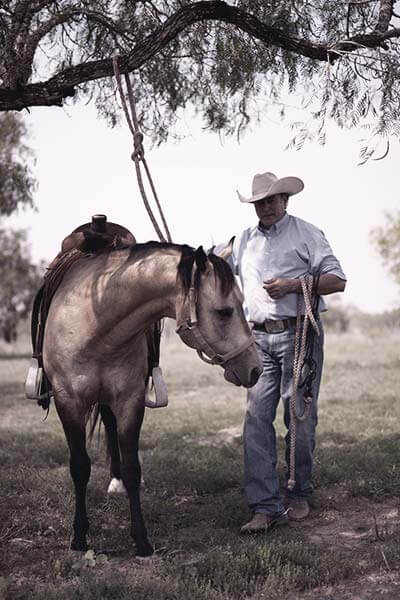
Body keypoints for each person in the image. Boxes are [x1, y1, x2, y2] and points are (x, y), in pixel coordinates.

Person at [220, 172, 346, 533]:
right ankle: (265, 506)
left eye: (272, 200)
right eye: (260, 202)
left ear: (285, 200)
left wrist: (294, 285)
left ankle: (299, 492)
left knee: (300, 418)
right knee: (256, 420)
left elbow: (337, 280)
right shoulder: (242, 240)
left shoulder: (308, 233)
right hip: (258, 340)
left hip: (300, 335)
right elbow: (216, 269)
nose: (266, 207)